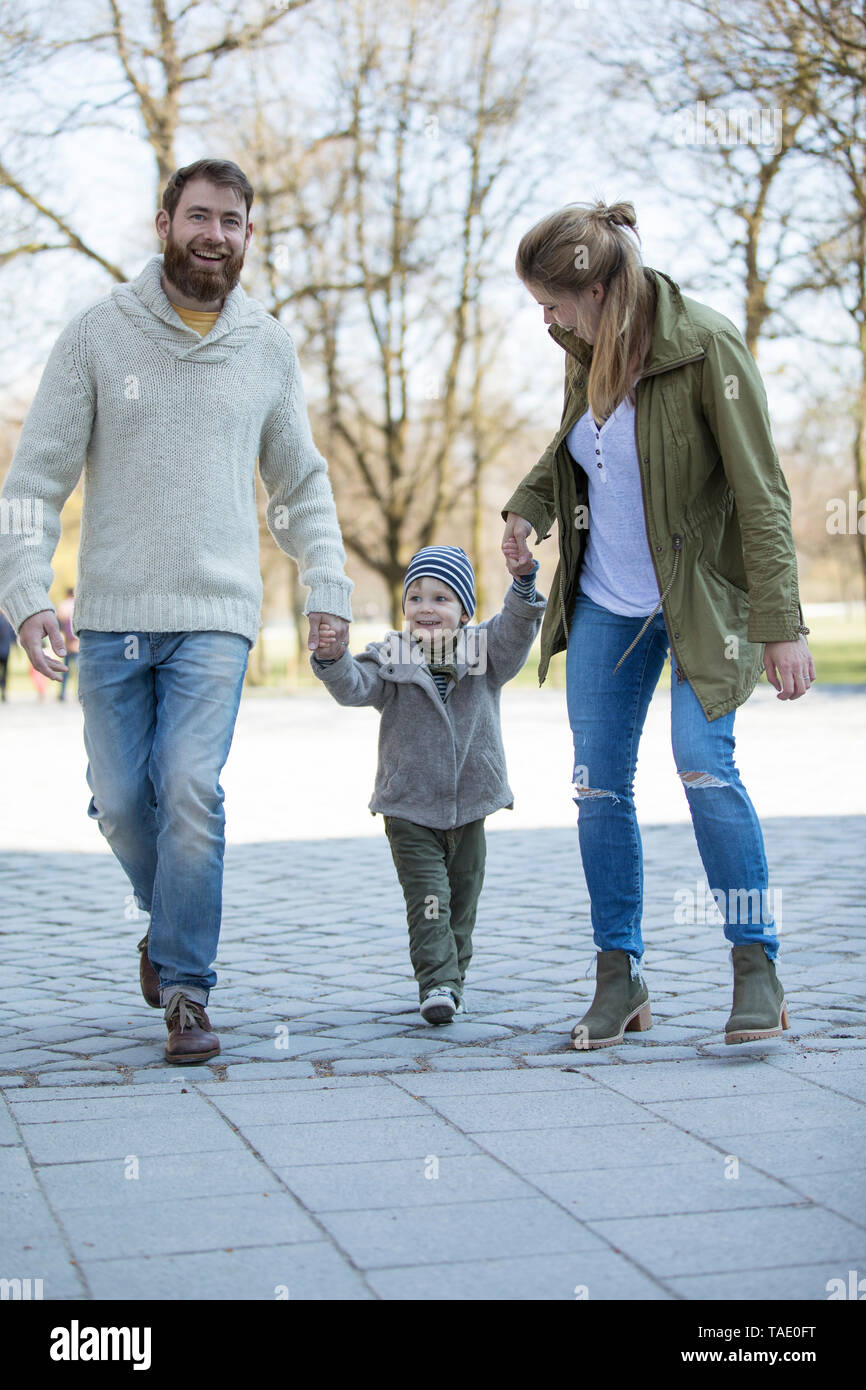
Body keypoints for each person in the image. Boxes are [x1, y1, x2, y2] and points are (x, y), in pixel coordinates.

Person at [0, 158, 353, 1064]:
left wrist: (328, 586)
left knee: (191, 788)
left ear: (246, 235)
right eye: (199, 217)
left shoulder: (266, 347)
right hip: (113, 618)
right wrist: (27, 595)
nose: (216, 235)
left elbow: (301, 484)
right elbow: (34, 483)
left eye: (233, 221)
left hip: (217, 615)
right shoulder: (96, 336)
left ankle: (188, 989)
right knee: (122, 802)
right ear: (163, 223)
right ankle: (167, 931)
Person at [501, 200, 814, 1050]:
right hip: (608, 600)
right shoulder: (585, 351)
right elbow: (576, 446)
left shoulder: (708, 346)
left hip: (703, 603)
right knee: (597, 784)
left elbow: (763, 492)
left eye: (555, 301)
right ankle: (620, 977)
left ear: (598, 287)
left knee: (703, 765)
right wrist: (527, 510)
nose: (546, 318)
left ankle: (757, 968)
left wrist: (783, 623)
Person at [311, 544, 546, 1022]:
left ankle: (453, 979)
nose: (426, 608)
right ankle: (436, 981)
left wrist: (523, 585)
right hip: (410, 807)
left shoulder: (484, 654)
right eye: (415, 598)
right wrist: (333, 657)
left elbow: (516, 630)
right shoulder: (392, 659)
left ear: (463, 612)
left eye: (441, 598)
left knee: (462, 900)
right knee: (429, 899)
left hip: (471, 803)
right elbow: (354, 686)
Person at [55, 588, 79, 701]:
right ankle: (79, 693)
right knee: (79, 671)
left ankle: (63, 693)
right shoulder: (78, 604)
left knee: (65, 670)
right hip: (79, 644)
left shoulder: (63, 606)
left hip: (67, 644)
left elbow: (58, 624)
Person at [0, 610, 15, 700]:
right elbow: (12, 636)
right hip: (6, 651)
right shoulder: (7, 622)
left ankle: (3, 688)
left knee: (4, 672)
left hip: (4, 650)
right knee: (5, 672)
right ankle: (4, 689)